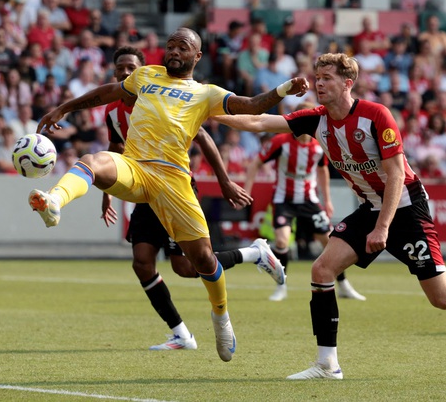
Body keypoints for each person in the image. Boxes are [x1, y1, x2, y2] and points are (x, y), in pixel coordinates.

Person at [210, 52, 446, 379]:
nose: (318, 84)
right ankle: (327, 365)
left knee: (444, 298)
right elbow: (255, 121)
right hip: (371, 207)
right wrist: (206, 111)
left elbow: (396, 175)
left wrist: (383, 226)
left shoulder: (376, 115)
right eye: (317, 77)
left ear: (347, 83)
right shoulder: (316, 118)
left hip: (406, 207)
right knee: (322, 269)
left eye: (327, 79)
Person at [28, 27, 309, 362]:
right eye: (170, 45)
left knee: (201, 262)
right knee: (93, 161)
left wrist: (285, 89)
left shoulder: (205, 93)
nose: (174, 50)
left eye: (183, 47)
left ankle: (221, 316)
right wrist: (64, 108)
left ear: (197, 56)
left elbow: (252, 105)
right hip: (137, 170)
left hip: (174, 181)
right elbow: (107, 93)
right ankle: (54, 202)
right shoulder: (146, 76)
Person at [100, 45, 285, 350]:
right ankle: (181, 334)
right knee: (142, 264)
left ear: (144, 70)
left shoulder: (164, 95)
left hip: (174, 187)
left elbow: (203, 136)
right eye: (120, 68)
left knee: (187, 268)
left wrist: (224, 181)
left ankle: (254, 254)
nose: (125, 73)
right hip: (141, 187)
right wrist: (107, 194)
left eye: (131, 67)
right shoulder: (113, 111)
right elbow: (115, 150)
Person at [244, 125, 366, 302]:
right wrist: (246, 190)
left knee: (330, 240)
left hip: (309, 200)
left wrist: (328, 200)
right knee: (281, 241)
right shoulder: (280, 142)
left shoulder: (318, 145)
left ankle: (344, 285)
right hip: (283, 199)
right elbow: (256, 163)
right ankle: (281, 286)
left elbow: (323, 170)